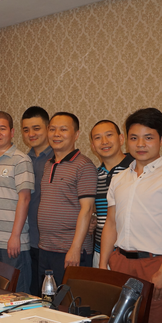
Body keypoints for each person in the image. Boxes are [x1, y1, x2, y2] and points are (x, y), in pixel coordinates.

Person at [99, 108, 162, 323]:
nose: (140, 144)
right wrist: (103, 264)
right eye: (134, 138)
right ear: (126, 140)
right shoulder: (119, 178)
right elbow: (111, 223)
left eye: (148, 138)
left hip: (155, 265)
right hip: (120, 262)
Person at [90, 120, 162, 267]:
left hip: (151, 258)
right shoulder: (94, 174)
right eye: (98, 138)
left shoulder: (145, 166)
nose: (104, 142)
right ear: (92, 145)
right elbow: (106, 215)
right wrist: (92, 218)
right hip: (109, 252)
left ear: (121, 139)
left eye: (109, 135)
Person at [37, 112, 97, 286]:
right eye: (52, 129)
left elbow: (87, 209)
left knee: (69, 300)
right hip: (45, 248)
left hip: (70, 251)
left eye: (63, 129)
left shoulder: (84, 165)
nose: (56, 134)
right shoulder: (48, 164)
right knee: (46, 298)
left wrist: (75, 248)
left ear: (76, 134)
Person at [0, 111, 34, 293]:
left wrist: (15, 236)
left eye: (2, 128)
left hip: (12, 242)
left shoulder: (21, 160)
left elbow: (25, 198)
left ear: (11, 132)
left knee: (17, 295)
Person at [21, 106, 53, 295]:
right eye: (26, 130)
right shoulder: (24, 160)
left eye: (36, 128)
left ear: (48, 128)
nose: (31, 134)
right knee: (32, 294)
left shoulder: (57, 158)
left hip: (53, 242)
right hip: (29, 239)